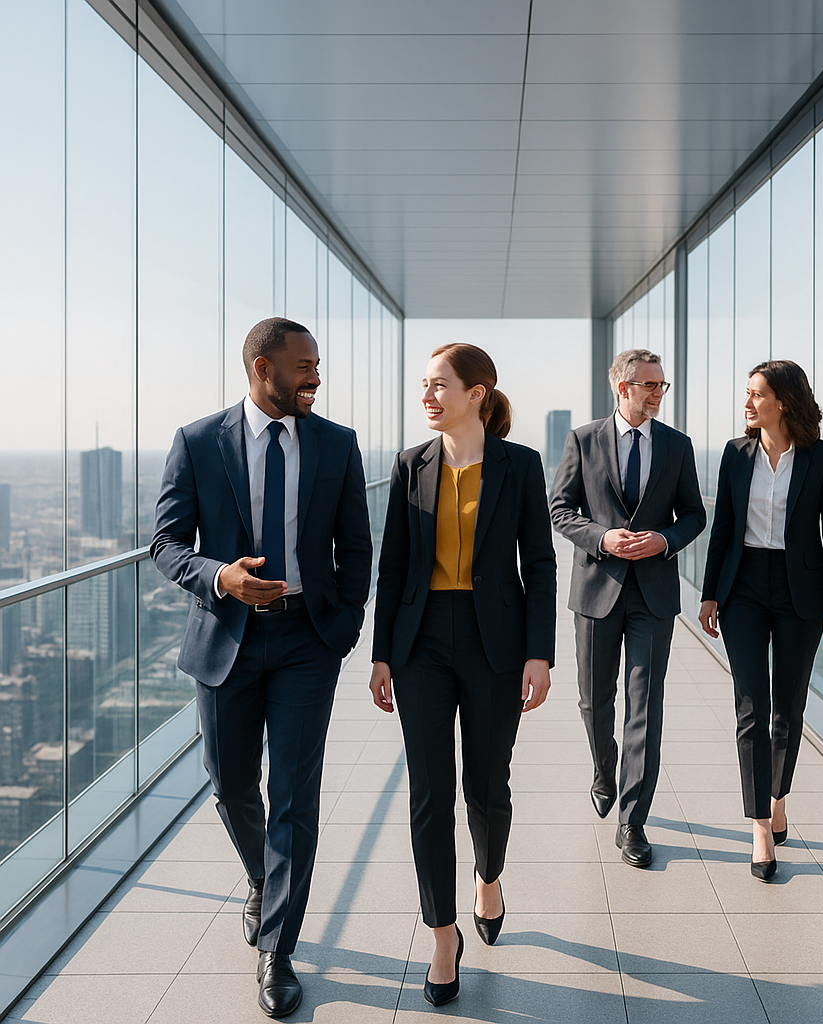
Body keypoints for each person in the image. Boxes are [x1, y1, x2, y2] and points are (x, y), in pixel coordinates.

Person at [151, 317, 372, 1017]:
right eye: (303, 365)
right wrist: (222, 578)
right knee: (231, 782)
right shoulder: (196, 441)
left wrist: (344, 627)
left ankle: (278, 950)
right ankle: (262, 877)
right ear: (260, 367)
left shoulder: (337, 442)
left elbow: (356, 547)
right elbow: (164, 542)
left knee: (295, 798)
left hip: (309, 641)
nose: (315, 376)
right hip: (227, 640)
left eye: (317, 365)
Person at [369, 343, 555, 1007]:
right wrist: (381, 653)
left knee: (487, 786)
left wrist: (541, 652)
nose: (428, 395)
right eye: (424, 384)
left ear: (477, 393)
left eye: (440, 384)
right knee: (428, 794)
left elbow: (539, 563)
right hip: (420, 644)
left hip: (495, 644)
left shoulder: (521, 466)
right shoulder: (408, 465)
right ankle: (442, 935)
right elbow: (392, 566)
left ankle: (489, 877)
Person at [550, 349, 705, 868]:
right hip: (597, 588)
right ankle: (602, 769)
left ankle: (632, 821)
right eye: (650, 385)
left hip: (654, 593)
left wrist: (663, 539)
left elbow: (695, 515)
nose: (659, 392)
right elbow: (560, 509)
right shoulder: (583, 439)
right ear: (623, 387)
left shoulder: (677, 445)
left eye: (663, 384)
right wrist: (602, 537)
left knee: (645, 705)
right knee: (596, 700)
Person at [698, 360, 823, 881]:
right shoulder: (735, 454)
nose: (747, 403)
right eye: (747, 394)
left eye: (755, 394)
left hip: (800, 591)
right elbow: (723, 527)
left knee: (788, 704)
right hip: (743, 587)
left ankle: (778, 794)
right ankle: (761, 825)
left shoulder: (820, 457)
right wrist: (710, 593)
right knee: (750, 705)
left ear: (781, 401)